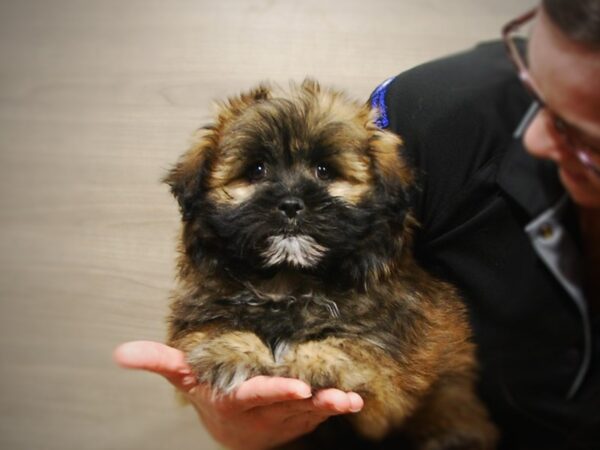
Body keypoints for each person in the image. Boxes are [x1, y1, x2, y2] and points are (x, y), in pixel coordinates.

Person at [114, 0, 600, 448]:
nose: (290, 200)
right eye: (255, 173)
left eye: (582, 135)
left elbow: (408, 349)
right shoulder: (433, 121)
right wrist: (237, 422)